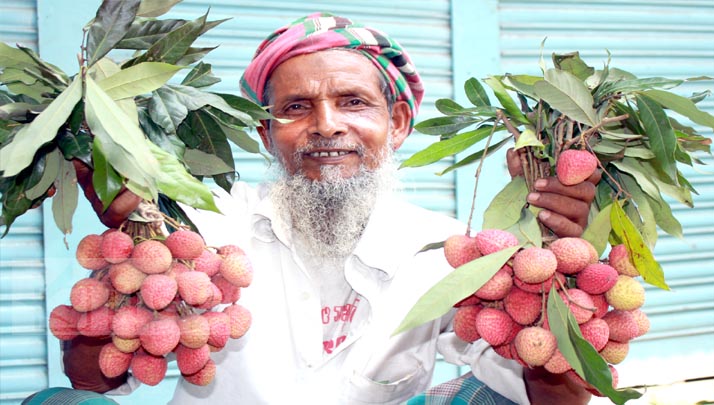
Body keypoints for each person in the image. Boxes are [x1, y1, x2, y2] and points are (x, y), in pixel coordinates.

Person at [63, 13, 598, 405]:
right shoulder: (200, 227)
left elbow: (555, 398)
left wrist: (562, 264)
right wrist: (128, 255)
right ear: (266, 134)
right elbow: (90, 381)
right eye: (296, 108)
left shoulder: (444, 252)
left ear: (399, 124)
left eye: (353, 102)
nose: (325, 125)